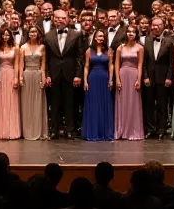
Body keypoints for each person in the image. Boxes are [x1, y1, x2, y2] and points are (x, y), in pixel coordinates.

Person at [44, 10, 85, 140]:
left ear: (68, 19)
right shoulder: (47, 35)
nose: (60, 20)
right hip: (54, 73)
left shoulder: (76, 34)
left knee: (70, 103)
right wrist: (47, 75)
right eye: (57, 18)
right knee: (54, 103)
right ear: (53, 19)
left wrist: (78, 74)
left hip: (70, 73)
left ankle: (70, 130)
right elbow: (46, 58)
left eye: (63, 18)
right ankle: (54, 131)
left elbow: (80, 56)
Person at [0, 25, 22, 139]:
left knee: (11, 102)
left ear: (10, 35)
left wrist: (16, 78)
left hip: (11, 74)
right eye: (3, 34)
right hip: (0, 76)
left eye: (7, 34)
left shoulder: (16, 47)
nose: (5, 36)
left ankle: (11, 131)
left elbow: (17, 63)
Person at [82, 29, 114, 141]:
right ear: (94, 38)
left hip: (104, 78)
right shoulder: (89, 51)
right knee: (93, 105)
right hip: (93, 78)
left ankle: (104, 132)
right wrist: (85, 81)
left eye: (103, 36)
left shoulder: (109, 51)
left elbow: (111, 66)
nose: (101, 38)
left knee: (104, 104)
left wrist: (111, 80)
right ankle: (92, 132)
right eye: (99, 36)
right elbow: (86, 66)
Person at [113, 25, 144, 140]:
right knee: (122, 102)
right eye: (129, 31)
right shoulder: (120, 48)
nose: (130, 33)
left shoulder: (140, 48)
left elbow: (140, 64)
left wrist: (138, 79)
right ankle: (121, 129)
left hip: (134, 74)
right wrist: (117, 79)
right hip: (122, 74)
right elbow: (117, 64)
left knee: (133, 103)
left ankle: (132, 131)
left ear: (136, 34)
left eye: (133, 32)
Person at [19, 25, 49, 140]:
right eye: (31, 31)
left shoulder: (42, 47)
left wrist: (43, 78)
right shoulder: (23, 47)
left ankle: (37, 130)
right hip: (27, 75)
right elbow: (21, 65)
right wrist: (20, 77)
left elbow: (43, 65)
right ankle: (26, 131)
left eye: (35, 31)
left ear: (38, 33)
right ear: (28, 33)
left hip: (37, 75)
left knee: (37, 103)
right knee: (26, 103)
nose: (33, 33)